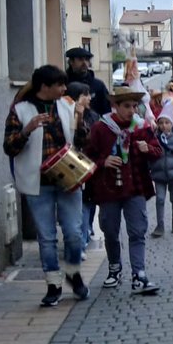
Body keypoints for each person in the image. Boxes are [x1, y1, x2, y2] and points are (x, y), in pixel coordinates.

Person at [3, 65, 91, 307]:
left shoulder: (66, 106)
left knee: (74, 233)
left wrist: (81, 121)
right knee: (47, 237)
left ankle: (73, 273)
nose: (65, 89)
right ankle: (53, 284)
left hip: (68, 178)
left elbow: (82, 142)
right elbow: (9, 147)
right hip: (38, 182)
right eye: (60, 85)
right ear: (45, 87)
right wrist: (27, 130)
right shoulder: (20, 111)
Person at [85, 85, 164, 295]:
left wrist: (149, 149)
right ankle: (114, 267)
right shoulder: (101, 128)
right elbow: (86, 156)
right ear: (115, 106)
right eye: (127, 106)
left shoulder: (142, 127)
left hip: (135, 186)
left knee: (137, 231)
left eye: (134, 106)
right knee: (110, 231)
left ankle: (139, 275)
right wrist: (103, 161)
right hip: (108, 189)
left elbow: (158, 151)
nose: (132, 110)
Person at [66, 81, 101, 254]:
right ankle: (81, 240)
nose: (88, 98)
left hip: (90, 163)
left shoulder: (93, 116)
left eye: (88, 94)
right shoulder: (66, 114)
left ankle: (86, 231)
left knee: (89, 201)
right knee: (81, 203)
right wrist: (78, 119)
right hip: (72, 165)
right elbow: (76, 139)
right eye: (84, 95)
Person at [149, 100, 173, 236]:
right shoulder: (154, 138)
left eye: (167, 122)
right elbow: (150, 155)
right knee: (160, 199)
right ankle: (160, 226)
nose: (164, 126)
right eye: (161, 123)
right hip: (159, 174)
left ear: (172, 123)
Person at [65, 46, 111, 115]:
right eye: (80, 59)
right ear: (71, 62)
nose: (84, 63)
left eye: (86, 59)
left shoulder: (98, 85)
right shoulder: (64, 84)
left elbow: (106, 111)